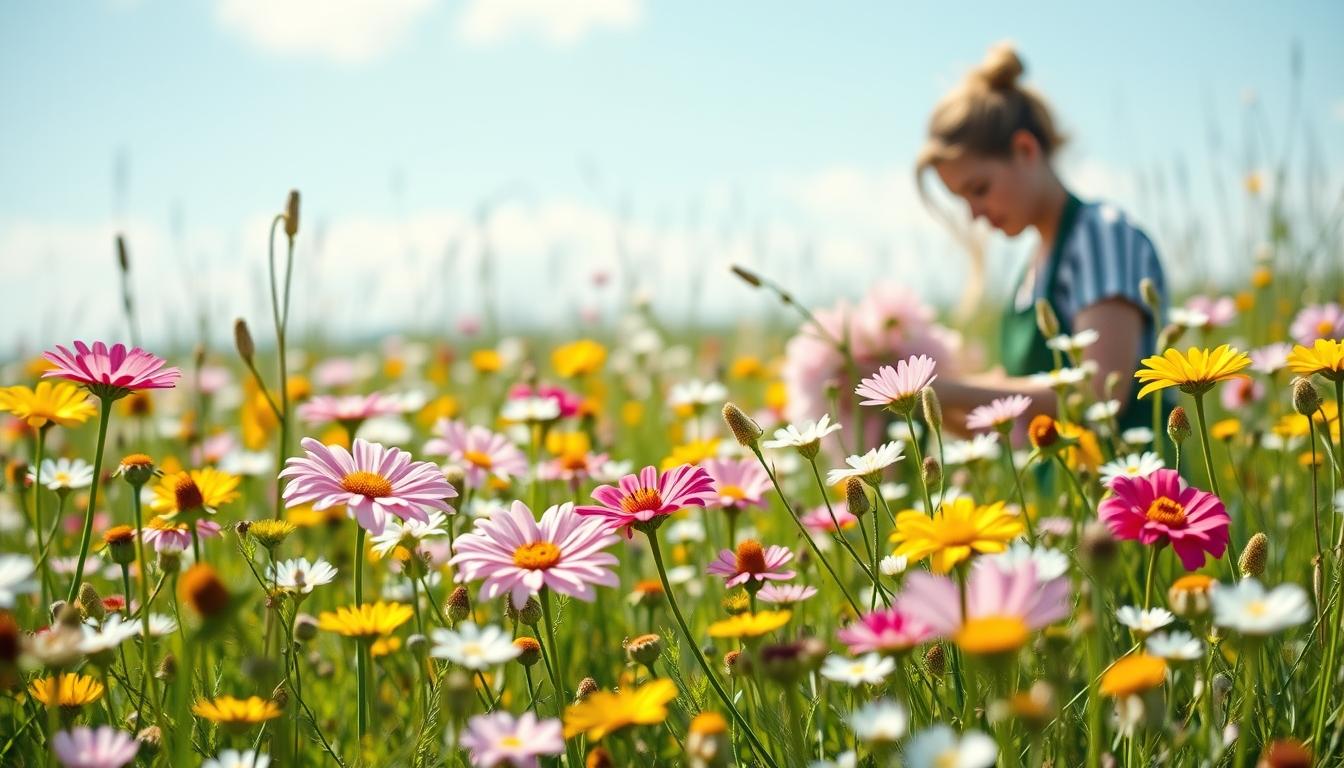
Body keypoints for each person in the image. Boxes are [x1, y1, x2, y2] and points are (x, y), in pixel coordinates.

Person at [918, 42, 1168, 437]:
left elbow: (1102, 393)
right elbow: (1021, 404)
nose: (974, 215)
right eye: (962, 200)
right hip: (1061, 493)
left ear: (1024, 149)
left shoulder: (1101, 236)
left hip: (1135, 489)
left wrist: (941, 392)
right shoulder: (1033, 269)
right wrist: (918, 398)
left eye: (979, 188)